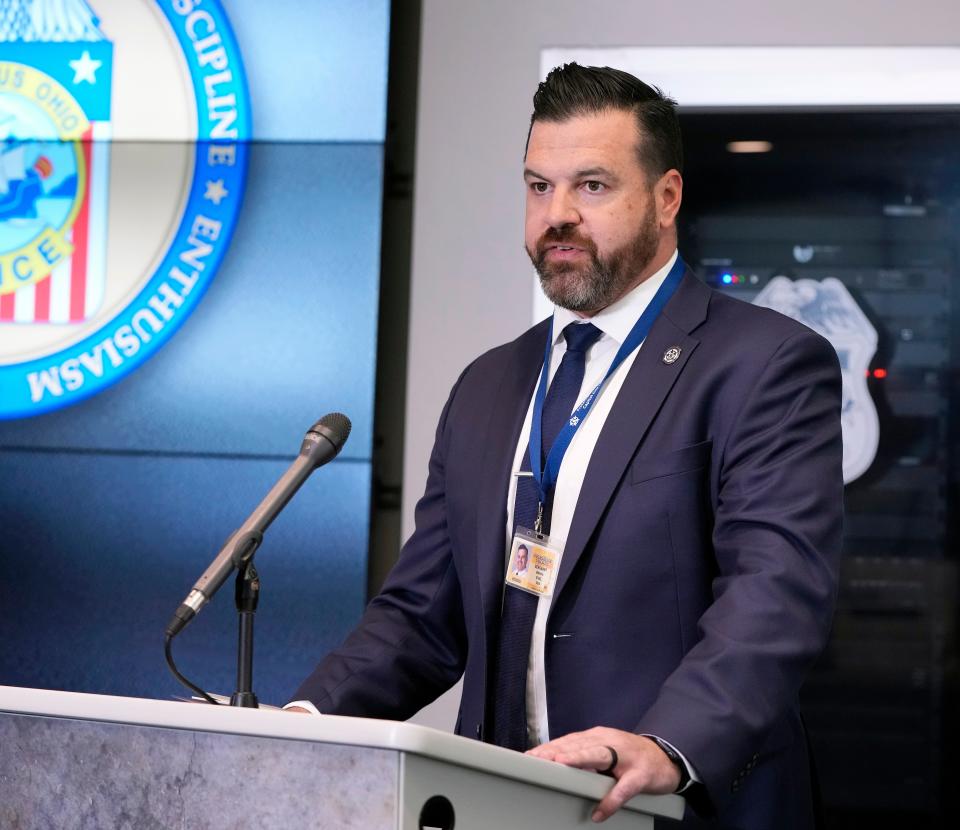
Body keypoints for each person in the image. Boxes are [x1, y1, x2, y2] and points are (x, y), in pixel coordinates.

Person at [288, 63, 843, 828]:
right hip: (498, 804)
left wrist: (667, 745)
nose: (557, 215)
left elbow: (774, 597)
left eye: (592, 186)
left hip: (669, 808)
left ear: (666, 198)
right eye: (538, 186)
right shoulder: (489, 383)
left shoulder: (764, 364)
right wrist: (306, 721)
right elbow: (423, 614)